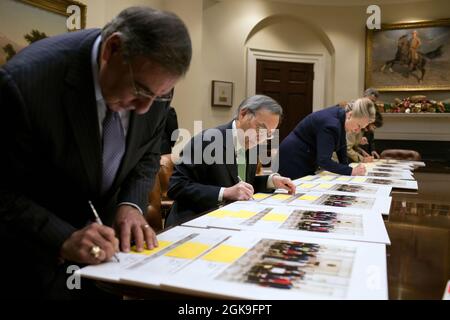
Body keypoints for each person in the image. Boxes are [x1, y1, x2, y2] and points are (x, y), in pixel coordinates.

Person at [0, 7, 192, 299]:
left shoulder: (154, 84)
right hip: (35, 258)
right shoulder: (23, 83)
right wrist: (62, 236)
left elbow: (148, 153)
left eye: (159, 96)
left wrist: (130, 204)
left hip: (109, 261)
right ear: (112, 49)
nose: (145, 108)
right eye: (139, 90)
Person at [166, 95, 296, 227]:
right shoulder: (207, 140)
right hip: (194, 220)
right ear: (243, 114)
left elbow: (240, 184)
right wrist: (225, 193)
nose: (262, 137)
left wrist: (271, 181)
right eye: (260, 128)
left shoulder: (252, 144)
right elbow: (176, 186)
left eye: (269, 134)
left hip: (230, 218)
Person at [278, 98, 376, 179]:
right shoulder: (331, 124)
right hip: (293, 157)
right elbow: (324, 161)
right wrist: (351, 171)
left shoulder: (340, 117)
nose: (358, 131)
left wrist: (347, 169)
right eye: (358, 126)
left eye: (361, 128)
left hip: (303, 156)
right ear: (350, 115)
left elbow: (342, 146)